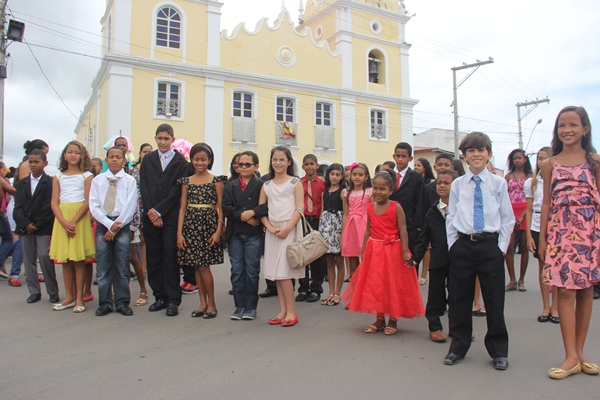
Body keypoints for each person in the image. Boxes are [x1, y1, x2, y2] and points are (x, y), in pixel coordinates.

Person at [444, 131, 514, 370]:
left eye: (481, 150)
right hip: (463, 246)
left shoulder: (498, 183)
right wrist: (453, 245)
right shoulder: (457, 184)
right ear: (464, 156)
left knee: (494, 300)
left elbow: (507, 219)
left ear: (489, 154)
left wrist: (501, 249)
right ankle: (458, 346)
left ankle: (498, 350)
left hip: (489, 246)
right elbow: (451, 216)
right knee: (459, 299)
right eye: (471, 151)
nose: (476, 154)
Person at [539, 106, 600, 379]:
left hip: (591, 232)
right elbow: (547, 203)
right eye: (562, 125)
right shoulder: (549, 164)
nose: (567, 130)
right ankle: (570, 356)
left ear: (585, 129)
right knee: (565, 292)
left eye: (574, 124)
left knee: (587, 291)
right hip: (561, 234)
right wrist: (541, 239)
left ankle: (580, 353)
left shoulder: (596, 162)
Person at [342, 170, 424, 335]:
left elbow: (403, 230)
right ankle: (379, 319)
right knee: (377, 284)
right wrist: (364, 250)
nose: (379, 192)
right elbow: (367, 231)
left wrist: (404, 251)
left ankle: (393, 319)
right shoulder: (370, 208)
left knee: (392, 283)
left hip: (393, 251)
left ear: (391, 190)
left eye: (383, 189)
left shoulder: (396, 207)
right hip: (375, 251)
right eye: (376, 189)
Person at [140, 123, 192, 317]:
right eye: (159, 138)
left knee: (170, 257)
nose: (163, 142)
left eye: (166, 138)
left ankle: (173, 299)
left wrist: (160, 211)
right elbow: (144, 186)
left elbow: (177, 190)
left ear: (172, 139)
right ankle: (159, 296)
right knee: (154, 257)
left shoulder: (180, 162)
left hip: (170, 216)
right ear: (155, 139)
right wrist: (152, 212)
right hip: (150, 216)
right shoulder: (148, 160)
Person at [176, 143, 225, 319]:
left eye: (203, 159)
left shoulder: (216, 181)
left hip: (208, 227)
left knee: (204, 267)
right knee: (196, 267)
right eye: (196, 159)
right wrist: (179, 233)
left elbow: (221, 208)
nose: (200, 162)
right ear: (191, 160)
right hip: (190, 226)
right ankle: (202, 303)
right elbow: (182, 209)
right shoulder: (186, 181)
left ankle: (212, 304)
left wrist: (219, 231)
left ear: (209, 160)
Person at [90, 147, 138, 317]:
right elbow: (94, 205)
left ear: (124, 161)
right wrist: (109, 225)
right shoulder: (98, 181)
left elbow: (130, 205)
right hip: (104, 223)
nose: (115, 160)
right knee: (103, 266)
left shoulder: (129, 181)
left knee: (122, 265)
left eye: (119, 157)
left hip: (122, 224)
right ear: (106, 160)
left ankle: (122, 302)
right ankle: (105, 303)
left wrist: (116, 225)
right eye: (111, 157)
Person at [259, 146, 304, 327]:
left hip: (290, 229)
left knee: (285, 272)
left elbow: (299, 208)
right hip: (273, 232)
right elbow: (261, 210)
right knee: (276, 273)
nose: (278, 163)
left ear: (289, 162)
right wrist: (269, 227)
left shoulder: (295, 182)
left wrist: (287, 228)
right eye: (275, 159)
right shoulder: (266, 185)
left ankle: (292, 311)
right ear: (271, 162)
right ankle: (283, 310)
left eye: (281, 160)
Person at [49, 141, 96, 313]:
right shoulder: (58, 177)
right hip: (62, 218)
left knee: (78, 260)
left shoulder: (87, 176)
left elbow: (87, 201)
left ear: (82, 155)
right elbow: (54, 202)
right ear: (64, 155)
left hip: (79, 218)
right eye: (70, 152)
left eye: (77, 152)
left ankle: (79, 298)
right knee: (66, 261)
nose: (73, 155)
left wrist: (74, 221)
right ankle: (68, 296)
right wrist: (63, 221)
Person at [413, 169, 458, 342]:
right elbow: (424, 238)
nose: (442, 186)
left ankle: (457, 327)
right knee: (435, 294)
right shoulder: (433, 212)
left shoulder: (461, 209)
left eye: (447, 183)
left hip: (458, 259)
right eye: (439, 182)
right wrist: (415, 258)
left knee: (457, 294)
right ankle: (435, 326)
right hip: (438, 258)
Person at [222, 151, 267, 320]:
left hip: (254, 235)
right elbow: (226, 208)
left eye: (247, 164)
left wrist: (252, 213)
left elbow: (265, 207)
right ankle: (239, 305)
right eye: (240, 164)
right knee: (237, 270)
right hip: (235, 234)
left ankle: (250, 306)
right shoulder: (230, 185)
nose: (243, 167)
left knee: (252, 270)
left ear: (256, 166)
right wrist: (244, 216)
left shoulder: (262, 185)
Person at [13, 150, 58, 303]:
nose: (33, 165)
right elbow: (18, 206)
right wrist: (25, 223)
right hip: (26, 227)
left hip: (43, 227)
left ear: (45, 163)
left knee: (44, 257)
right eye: (30, 162)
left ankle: (53, 291)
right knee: (29, 259)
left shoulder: (50, 182)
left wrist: (37, 224)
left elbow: (49, 206)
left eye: (36, 162)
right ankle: (34, 291)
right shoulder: (23, 183)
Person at [524, 146, 558, 323]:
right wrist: (529, 234)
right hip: (538, 225)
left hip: (557, 225)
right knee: (543, 266)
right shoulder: (531, 183)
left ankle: (556, 308)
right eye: (540, 158)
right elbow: (528, 209)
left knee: (557, 267)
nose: (542, 161)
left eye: (546, 158)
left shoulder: (558, 180)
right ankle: (546, 306)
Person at [295, 154, 326, 303]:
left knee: (316, 256)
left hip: (316, 221)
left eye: (311, 164)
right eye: (306, 164)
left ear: (317, 166)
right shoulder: (299, 183)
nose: (309, 167)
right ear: (302, 167)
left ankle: (316, 288)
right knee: (302, 255)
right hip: (301, 221)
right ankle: (303, 288)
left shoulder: (322, 184)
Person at [419, 153, 454, 285]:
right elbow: (423, 211)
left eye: (446, 164)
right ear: (434, 167)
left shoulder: (460, 195)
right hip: (436, 238)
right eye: (440, 164)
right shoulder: (428, 190)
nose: (442, 186)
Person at [504, 149, 533, 292]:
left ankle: (522, 280)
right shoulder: (508, 176)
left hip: (526, 211)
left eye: (520, 158)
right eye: (515, 158)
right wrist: (511, 215)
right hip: (510, 211)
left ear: (525, 159)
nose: (517, 161)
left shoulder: (531, 176)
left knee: (524, 247)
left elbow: (533, 198)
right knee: (509, 246)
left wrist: (522, 216)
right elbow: (503, 196)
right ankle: (512, 280)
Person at [390, 143, 424, 264]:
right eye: (398, 156)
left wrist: (417, 226)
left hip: (410, 226)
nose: (400, 159)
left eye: (403, 156)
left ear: (410, 158)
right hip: (389, 227)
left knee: (408, 261)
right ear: (394, 156)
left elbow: (419, 203)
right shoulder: (387, 175)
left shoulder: (416, 177)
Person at [129, 143, 152, 306]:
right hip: (135, 207)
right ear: (140, 153)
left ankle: (146, 267)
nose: (147, 154)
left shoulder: (153, 168)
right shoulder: (132, 170)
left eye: (150, 152)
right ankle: (140, 269)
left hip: (149, 206)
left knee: (147, 239)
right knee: (139, 239)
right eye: (144, 151)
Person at [319, 163, 345, 306]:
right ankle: (330, 292)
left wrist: (343, 232)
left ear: (341, 176)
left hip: (338, 228)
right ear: (328, 175)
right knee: (329, 261)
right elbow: (322, 212)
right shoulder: (324, 193)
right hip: (326, 229)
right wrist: (319, 233)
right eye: (332, 174)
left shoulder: (343, 192)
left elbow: (346, 213)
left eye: (337, 174)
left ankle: (338, 293)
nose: (334, 177)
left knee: (339, 261)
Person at [341, 162, 372, 279]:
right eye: (354, 174)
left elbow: (373, 211)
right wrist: (343, 232)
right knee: (353, 261)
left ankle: (366, 290)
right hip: (351, 227)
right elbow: (345, 214)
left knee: (366, 260)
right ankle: (355, 291)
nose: (357, 177)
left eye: (360, 175)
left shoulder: (370, 191)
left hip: (365, 227)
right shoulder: (346, 192)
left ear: (366, 177)